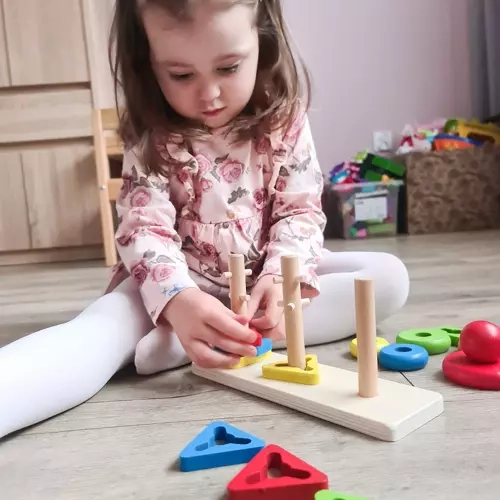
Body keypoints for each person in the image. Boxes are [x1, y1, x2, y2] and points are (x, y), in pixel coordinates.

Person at [0, 0, 409, 440]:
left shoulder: (285, 120)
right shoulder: (151, 131)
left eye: (229, 67)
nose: (209, 94)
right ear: (148, 63)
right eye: (180, 74)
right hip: (174, 287)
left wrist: (283, 279)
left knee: (387, 277)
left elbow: (300, 208)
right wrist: (178, 301)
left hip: (259, 283)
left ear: (262, 38)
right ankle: (191, 332)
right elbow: (144, 228)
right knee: (97, 332)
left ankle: (208, 340)